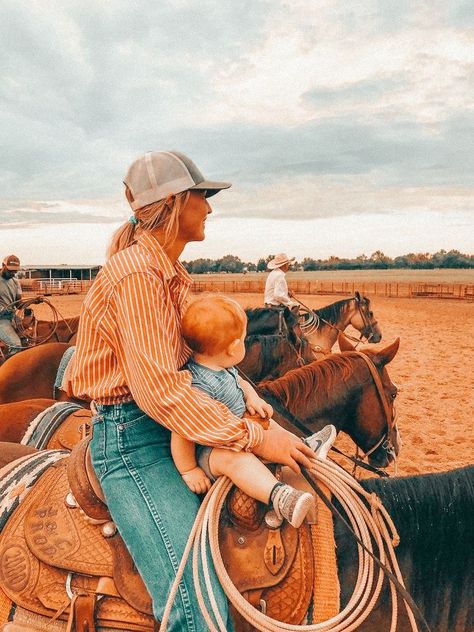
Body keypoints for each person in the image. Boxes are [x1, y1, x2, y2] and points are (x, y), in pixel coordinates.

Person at [68, 150, 316, 631]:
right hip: (134, 442)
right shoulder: (139, 276)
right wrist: (256, 437)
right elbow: (161, 389)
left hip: (174, 425)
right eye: (204, 196)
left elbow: (201, 355)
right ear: (177, 201)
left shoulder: (169, 273)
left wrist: (242, 390)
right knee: (195, 599)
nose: (210, 208)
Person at [175, 294, 336, 528]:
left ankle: (303, 444)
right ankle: (279, 496)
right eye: (243, 340)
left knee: (266, 419)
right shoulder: (198, 386)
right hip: (212, 450)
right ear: (232, 349)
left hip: (238, 429)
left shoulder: (222, 366)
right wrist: (189, 469)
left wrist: (253, 399)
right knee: (236, 460)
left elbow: (241, 382)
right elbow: (182, 430)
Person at [0, 255, 23, 355]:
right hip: (1, 319)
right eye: (10, 271)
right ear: (3, 266)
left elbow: (19, 304)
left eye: (15, 271)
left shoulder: (15, 282)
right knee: (16, 345)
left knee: (31, 339)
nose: (13, 274)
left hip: (12, 317)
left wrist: (33, 301)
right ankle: (9, 369)